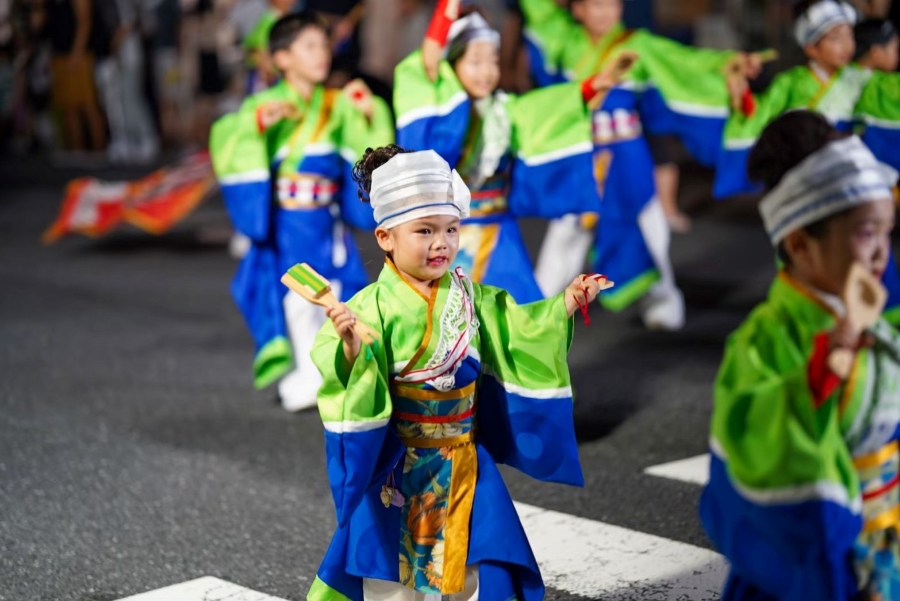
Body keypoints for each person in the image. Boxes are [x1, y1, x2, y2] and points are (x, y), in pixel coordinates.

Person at [307, 145, 599, 601]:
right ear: (386, 237)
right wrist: (349, 348)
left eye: (450, 229)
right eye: (424, 231)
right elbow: (339, 370)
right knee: (391, 581)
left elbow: (514, 328)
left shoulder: (467, 294)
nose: (441, 243)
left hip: (462, 453)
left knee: (468, 572)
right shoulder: (371, 306)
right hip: (400, 462)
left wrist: (563, 305)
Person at [700, 110, 900, 601]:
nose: (881, 254)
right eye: (865, 233)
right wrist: (824, 368)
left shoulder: (877, 324)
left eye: (887, 233)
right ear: (800, 244)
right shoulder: (764, 339)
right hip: (815, 548)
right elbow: (755, 440)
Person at [521, 0, 761, 330]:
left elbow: (684, 62)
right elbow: (539, 11)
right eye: (595, 5)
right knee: (567, 228)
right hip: (583, 153)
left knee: (651, 227)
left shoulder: (639, 45)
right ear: (577, 10)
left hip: (628, 154)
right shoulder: (565, 40)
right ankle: (541, 306)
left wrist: (729, 62)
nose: (605, 12)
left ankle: (663, 300)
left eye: (612, 4)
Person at [209, 11, 393, 412]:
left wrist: (369, 113)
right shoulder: (263, 104)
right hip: (289, 223)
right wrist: (256, 123)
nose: (322, 54)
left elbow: (364, 154)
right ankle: (310, 376)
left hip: (328, 221)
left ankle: (326, 374)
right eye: (309, 46)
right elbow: (228, 136)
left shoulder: (338, 103)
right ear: (281, 59)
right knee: (297, 299)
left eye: (324, 45)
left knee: (339, 296)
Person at [393, 0, 602, 302]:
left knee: (518, 316)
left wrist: (592, 88)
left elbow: (549, 111)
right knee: (449, 325)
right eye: (475, 62)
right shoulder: (442, 115)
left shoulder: (505, 110)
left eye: (492, 61)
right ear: (452, 66)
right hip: (450, 236)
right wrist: (447, 7)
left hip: (500, 232)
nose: (487, 72)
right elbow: (428, 63)